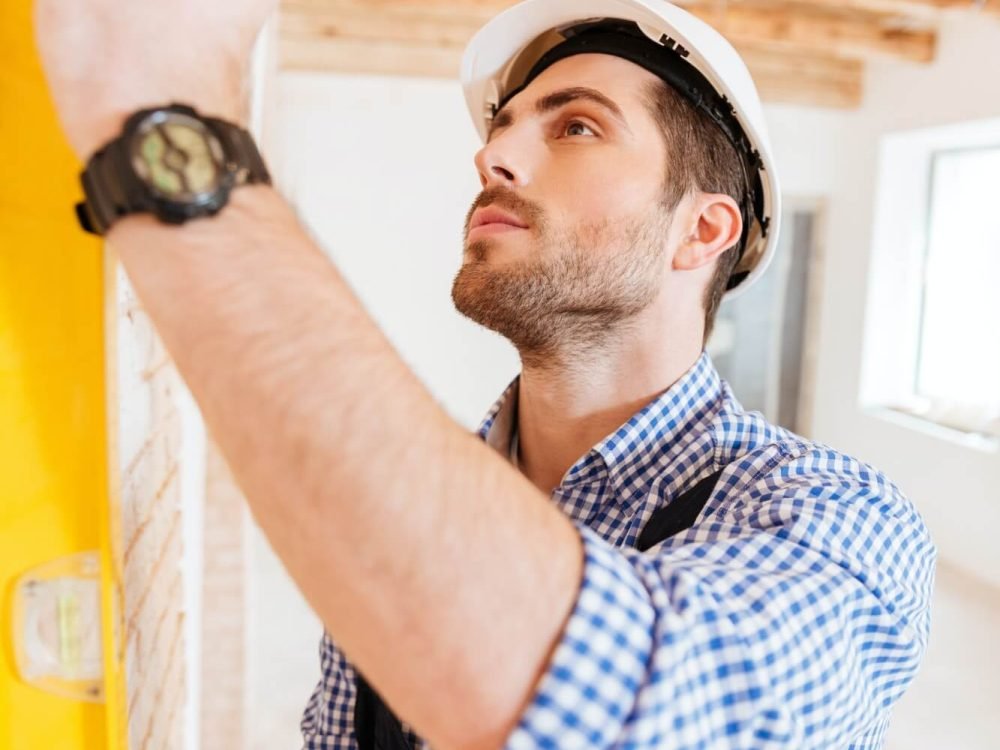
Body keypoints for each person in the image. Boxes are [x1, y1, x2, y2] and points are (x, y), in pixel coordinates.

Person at [34, 0, 935, 748]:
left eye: (577, 126)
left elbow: (634, 711)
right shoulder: (430, 497)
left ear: (702, 231)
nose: (491, 156)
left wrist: (170, 131)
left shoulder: (843, 522)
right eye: (503, 127)